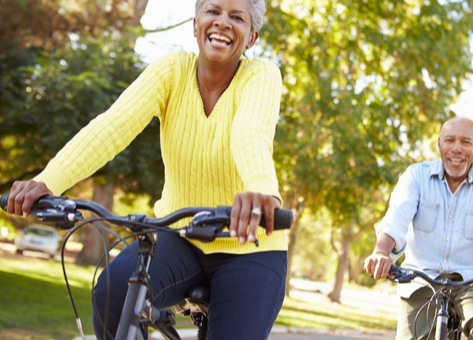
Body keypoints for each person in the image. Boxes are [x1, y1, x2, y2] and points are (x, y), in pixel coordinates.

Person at [5, 0, 287, 339]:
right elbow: (113, 126)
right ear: (195, 23)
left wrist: (260, 191)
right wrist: (48, 181)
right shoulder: (171, 71)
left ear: (252, 37)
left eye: (236, 17)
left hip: (251, 247)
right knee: (112, 293)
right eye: (213, 11)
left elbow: (250, 133)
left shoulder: (261, 75)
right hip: (181, 235)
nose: (223, 22)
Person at [364, 117, 473, 340]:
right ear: (439, 144)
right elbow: (395, 220)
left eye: (465, 142)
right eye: (450, 140)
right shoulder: (416, 176)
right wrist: (381, 253)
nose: (456, 149)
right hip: (421, 280)